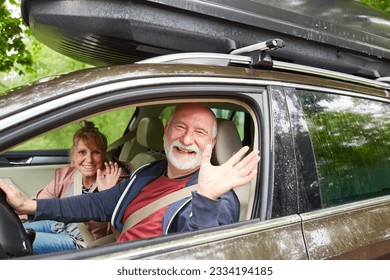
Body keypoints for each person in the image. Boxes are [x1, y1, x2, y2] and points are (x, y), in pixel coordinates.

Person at [0, 103, 260, 244]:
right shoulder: (148, 172)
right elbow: (97, 203)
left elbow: (202, 257)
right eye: (180, 126)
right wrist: (28, 204)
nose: (187, 138)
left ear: (212, 143)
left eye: (200, 132)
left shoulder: (218, 196)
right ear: (166, 130)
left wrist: (206, 198)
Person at [21, 121, 123, 253]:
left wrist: (107, 194)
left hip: (82, 241)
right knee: (14, 230)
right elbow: (37, 202)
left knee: (18, 242)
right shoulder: (67, 175)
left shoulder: (114, 180)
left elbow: (119, 231)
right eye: (82, 152)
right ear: (73, 154)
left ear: (103, 155)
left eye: (96, 152)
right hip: (59, 225)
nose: (89, 159)